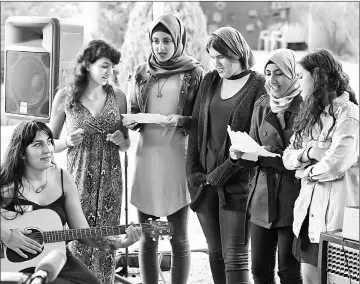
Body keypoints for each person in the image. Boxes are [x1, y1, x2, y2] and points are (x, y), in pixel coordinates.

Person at [0, 121, 141, 284]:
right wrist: (7, 235)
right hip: (12, 263)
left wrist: (119, 242)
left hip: (56, 258)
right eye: (38, 144)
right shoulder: (7, 184)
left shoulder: (62, 179)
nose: (48, 150)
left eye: (49, 142)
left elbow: (83, 233)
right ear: (21, 152)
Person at [122, 13, 204, 284]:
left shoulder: (194, 72)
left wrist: (181, 120)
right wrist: (132, 120)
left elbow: (203, 120)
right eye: (155, 41)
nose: (160, 47)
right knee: (149, 235)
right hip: (148, 158)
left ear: (178, 40)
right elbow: (135, 110)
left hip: (177, 157)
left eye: (167, 40)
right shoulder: (143, 71)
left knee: (178, 236)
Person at [186, 26, 266, 284]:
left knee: (236, 257)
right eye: (212, 56)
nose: (216, 62)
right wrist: (193, 174)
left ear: (238, 52)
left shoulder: (258, 86)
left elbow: (254, 142)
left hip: (237, 185)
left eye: (221, 56)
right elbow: (197, 128)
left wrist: (221, 173)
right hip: (203, 183)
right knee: (216, 254)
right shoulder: (210, 81)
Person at [49, 39, 129, 284]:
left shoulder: (119, 96)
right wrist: (68, 142)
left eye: (112, 67)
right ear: (86, 65)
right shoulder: (65, 97)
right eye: (104, 66)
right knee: (77, 240)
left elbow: (127, 144)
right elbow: (48, 143)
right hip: (77, 180)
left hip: (111, 182)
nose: (109, 72)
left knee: (107, 245)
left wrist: (120, 140)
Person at [282, 48, 359, 284]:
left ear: (318, 76)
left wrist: (305, 171)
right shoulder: (310, 115)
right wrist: (310, 152)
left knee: (337, 281)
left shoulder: (350, 115)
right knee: (309, 280)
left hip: (337, 221)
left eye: (301, 76)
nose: (298, 82)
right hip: (308, 216)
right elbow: (287, 157)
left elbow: (336, 164)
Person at [229, 48, 303, 284]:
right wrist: (237, 154)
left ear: (293, 74)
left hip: (294, 200)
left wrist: (268, 157)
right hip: (262, 200)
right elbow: (252, 149)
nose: (272, 80)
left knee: (289, 272)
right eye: (269, 73)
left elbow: (301, 158)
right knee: (260, 272)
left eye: (280, 73)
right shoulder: (262, 105)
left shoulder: (307, 108)